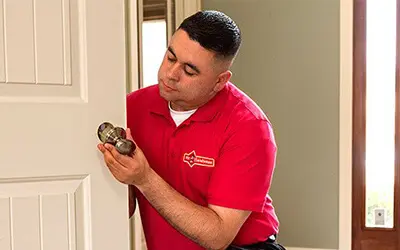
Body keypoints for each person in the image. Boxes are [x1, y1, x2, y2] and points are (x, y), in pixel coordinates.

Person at [98, 10, 285, 250]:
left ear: (220, 81)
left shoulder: (249, 127)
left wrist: (144, 179)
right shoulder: (132, 107)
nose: (171, 74)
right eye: (171, 57)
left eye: (189, 70)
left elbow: (217, 236)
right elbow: (123, 206)